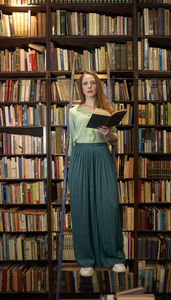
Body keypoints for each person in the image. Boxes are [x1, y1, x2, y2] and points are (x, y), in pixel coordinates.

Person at [68, 70, 126, 277]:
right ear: (81, 87)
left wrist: (107, 133)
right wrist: (69, 167)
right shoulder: (73, 112)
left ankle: (115, 257)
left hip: (102, 156)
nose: (89, 86)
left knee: (108, 206)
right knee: (82, 209)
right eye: (85, 83)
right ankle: (86, 260)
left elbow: (114, 139)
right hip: (81, 157)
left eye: (93, 83)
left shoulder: (107, 110)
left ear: (98, 86)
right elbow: (70, 141)